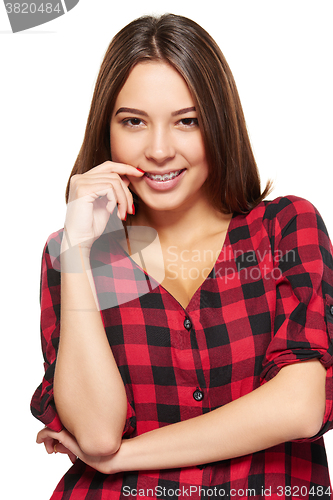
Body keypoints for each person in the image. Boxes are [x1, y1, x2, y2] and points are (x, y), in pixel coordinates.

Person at [32, 13, 333, 500]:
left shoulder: (284, 228)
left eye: (186, 121)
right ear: (106, 129)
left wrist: (124, 459)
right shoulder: (78, 256)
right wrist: (77, 247)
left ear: (218, 123)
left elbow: (298, 406)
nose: (158, 149)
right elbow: (96, 433)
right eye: (133, 121)